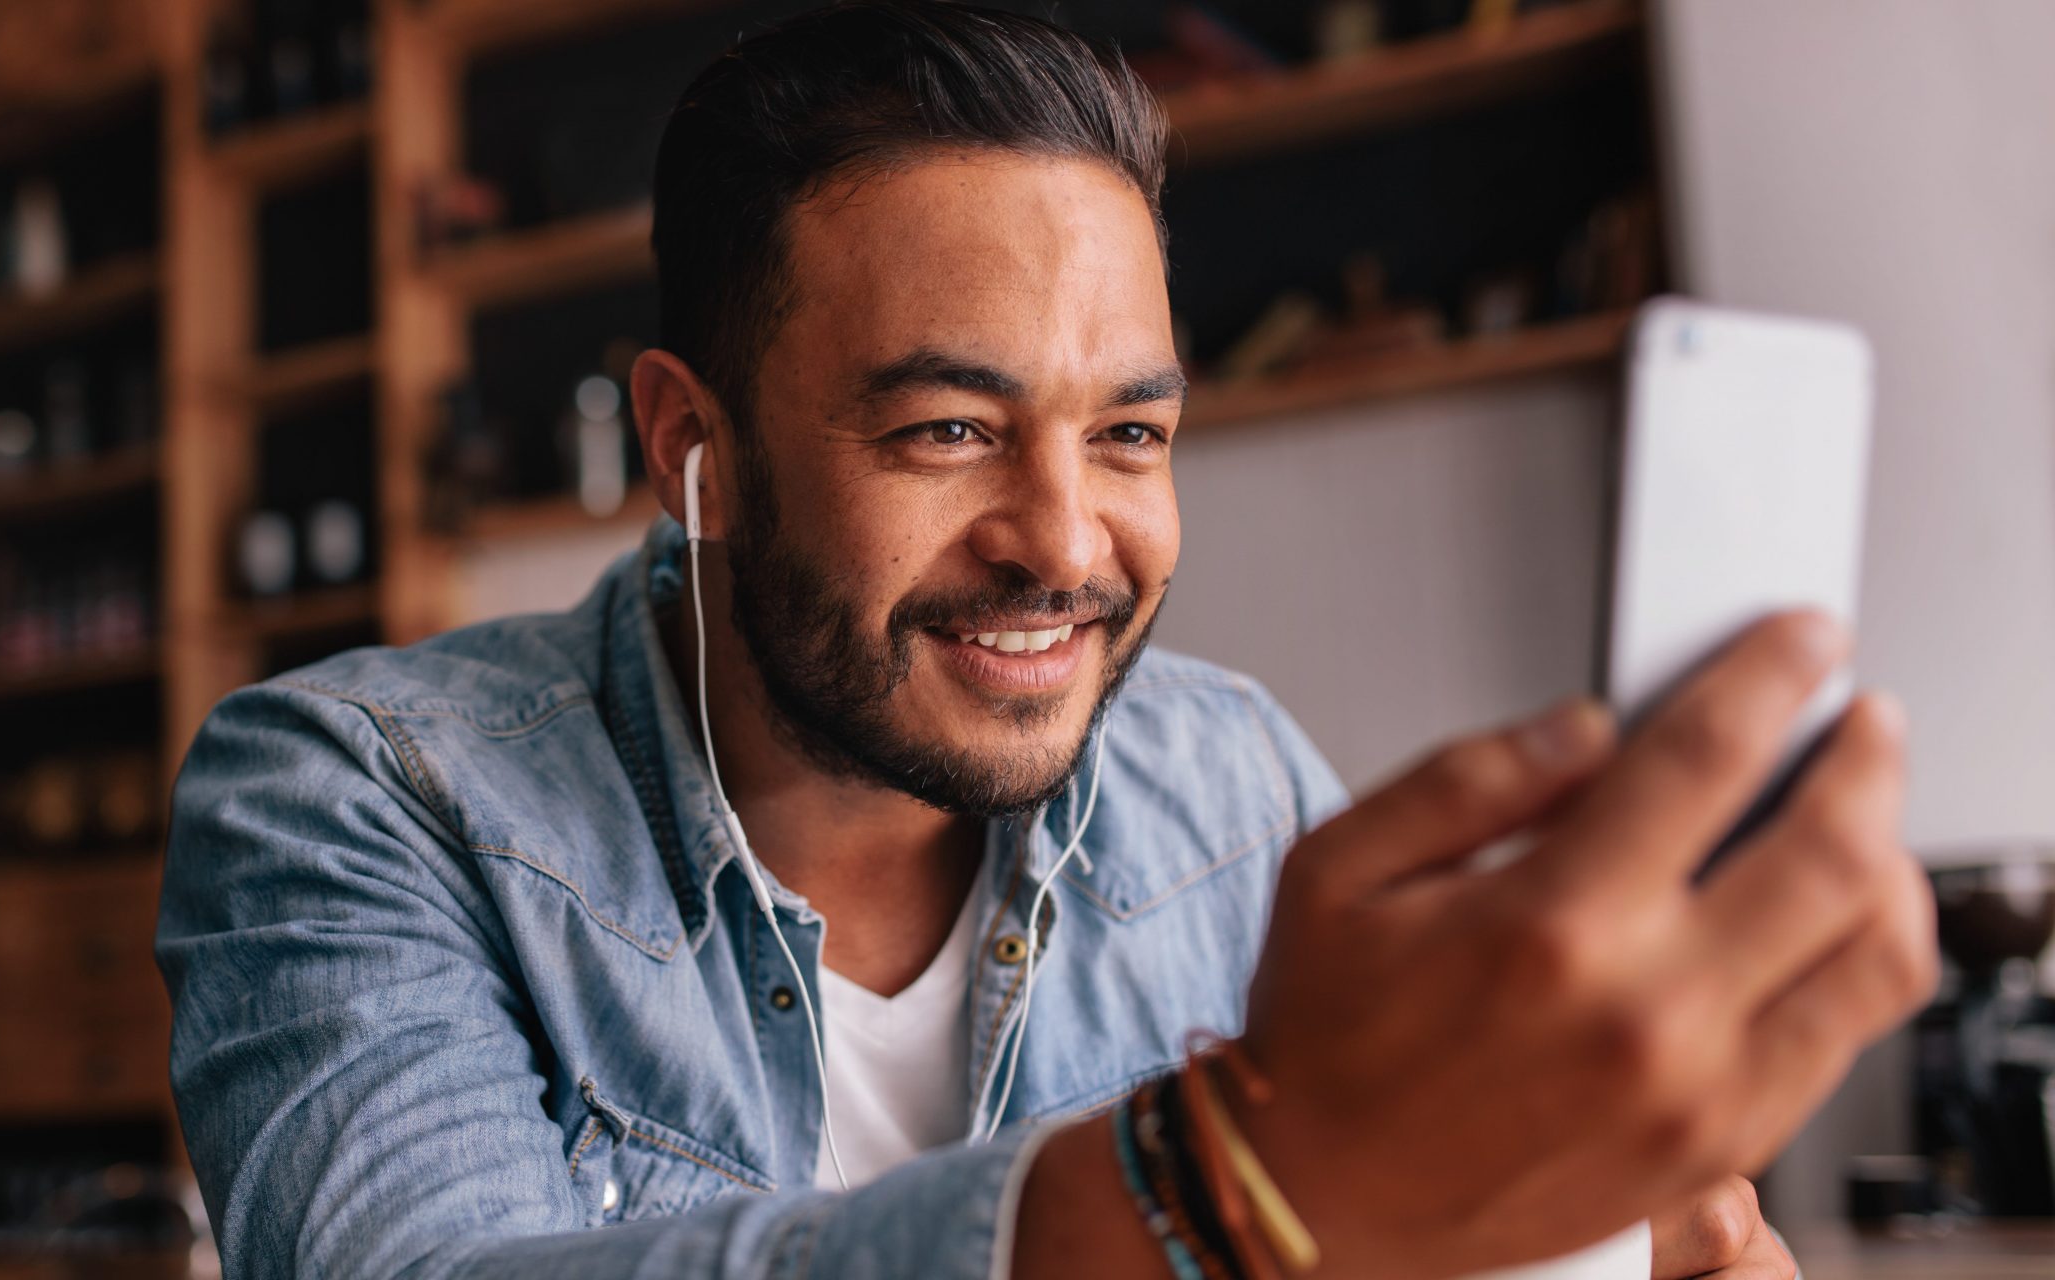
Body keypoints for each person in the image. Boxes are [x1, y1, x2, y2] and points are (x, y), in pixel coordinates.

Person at [154, 4, 1935, 1277]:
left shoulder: (1229, 779)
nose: (1069, 545)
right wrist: (1235, 1194)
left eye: (1133, 434)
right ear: (693, 446)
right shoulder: (353, 795)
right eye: (947, 429)